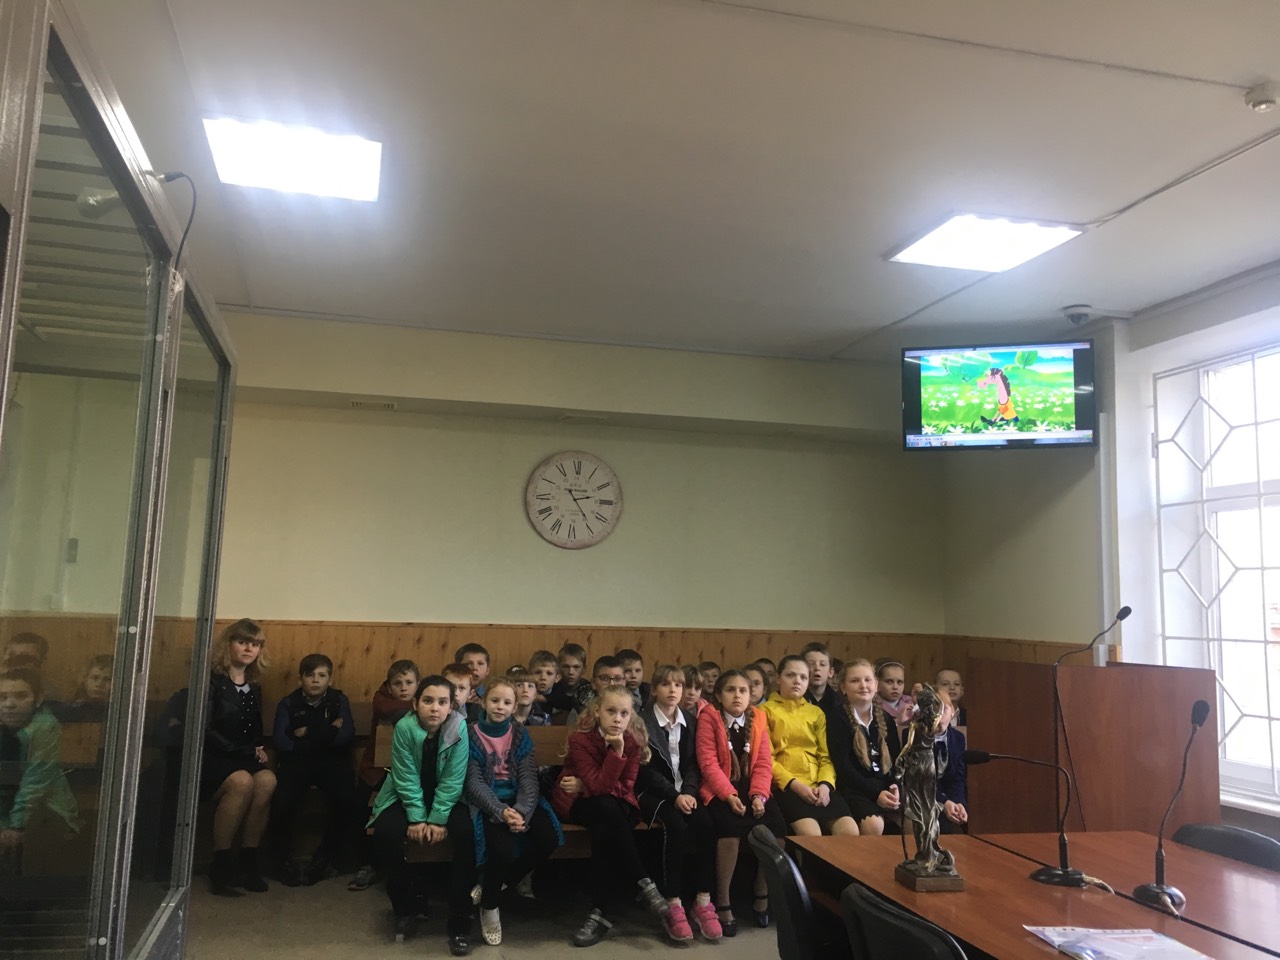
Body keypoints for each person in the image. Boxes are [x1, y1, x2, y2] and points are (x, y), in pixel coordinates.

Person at [550, 687, 672, 947]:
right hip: (578, 804)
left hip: (616, 805)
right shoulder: (581, 740)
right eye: (611, 711)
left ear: (630, 716)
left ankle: (601, 911)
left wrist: (586, 783)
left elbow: (625, 786)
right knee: (605, 810)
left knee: (604, 826)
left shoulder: (633, 742)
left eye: (624, 713)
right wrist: (613, 757)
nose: (617, 718)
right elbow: (600, 787)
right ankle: (642, 880)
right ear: (597, 712)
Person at [368, 676, 475, 954]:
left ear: (451, 707)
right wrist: (416, 818)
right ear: (416, 704)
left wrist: (437, 819)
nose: (435, 708)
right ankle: (406, 905)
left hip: (447, 798)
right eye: (428, 701)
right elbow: (404, 777)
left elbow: (453, 780)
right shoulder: (404, 727)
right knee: (386, 832)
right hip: (405, 795)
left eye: (442, 702)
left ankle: (460, 918)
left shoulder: (459, 729)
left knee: (467, 833)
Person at [464, 679, 562, 945]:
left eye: (507, 702)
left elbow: (529, 778)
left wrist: (521, 811)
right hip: (489, 802)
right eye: (495, 700)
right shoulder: (471, 733)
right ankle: (490, 907)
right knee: (502, 849)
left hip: (520, 800)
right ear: (484, 702)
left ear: (515, 706)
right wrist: (501, 812)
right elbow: (473, 783)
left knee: (548, 837)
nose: (500, 706)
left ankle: (496, 885)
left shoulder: (520, 734)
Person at [695, 669, 787, 937]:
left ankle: (762, 892)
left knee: (777, 829)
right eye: (731, 690)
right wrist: (729, 795)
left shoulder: (757, 717)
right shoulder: (709, 716)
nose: (737, 696)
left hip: (753, 787)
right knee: (729, 829)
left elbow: (763, 763)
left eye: (743, 690)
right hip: (720, 787)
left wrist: (759, 795)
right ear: (719, 695)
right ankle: (723, 899)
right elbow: (708, 763)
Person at [636, 665, 721, 942]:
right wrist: (675, 797)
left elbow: (694, 764)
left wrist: (690, 792)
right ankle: (672, 902)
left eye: (678, 685)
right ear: (654, 689)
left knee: (706, 824)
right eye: (666, 684)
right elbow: (645, 771)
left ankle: (703, 900)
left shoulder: (691, 721)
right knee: (675, 826)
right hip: (652, 793)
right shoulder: (642, 722)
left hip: (685, 792)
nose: (673, 690)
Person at [201, 618, 277, 895]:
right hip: (212, 757)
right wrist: (244, 750)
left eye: (255, 644)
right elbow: (204, 730)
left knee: (267, 780)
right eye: (242, 642)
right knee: (242, 782)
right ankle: (221, 864)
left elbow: (254, 728)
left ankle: (248, 860)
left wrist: (258, 748)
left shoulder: (254, 685)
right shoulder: (211, 681)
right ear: (228, 644)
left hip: (241, 756)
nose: (248, 649)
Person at [269, 653, 355, 886]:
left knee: (347, 799)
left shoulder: (339, 700)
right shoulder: (288, 703)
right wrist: (328, 731)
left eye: (322, 675)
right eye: (310, 675)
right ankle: (283, 860)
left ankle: (325, 858)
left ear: (330, 679)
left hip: (332, 761)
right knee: (282, 801)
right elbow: (282, 742)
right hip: (298, 761)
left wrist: (306, 732)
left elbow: (345, 736)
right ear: (300, 679)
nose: (316, 680)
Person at [760, 656, 857, 837]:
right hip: (786, 786)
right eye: (790, 675)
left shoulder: (816, 712)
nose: (797, 681)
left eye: (803, 677)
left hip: (818, 785)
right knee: (811, 835)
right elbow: (767, 759)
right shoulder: (764, 711)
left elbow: (825, 756)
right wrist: (795, 785)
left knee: (850, 831)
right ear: (778, 678)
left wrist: (825, 785)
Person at [350, 658, 420, 891]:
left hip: (410, 773)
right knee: (360, 806)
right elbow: (386, 709)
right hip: (376, 769)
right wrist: (415, 707)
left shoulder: (428, 704)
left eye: (409, 683)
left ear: (418, 685)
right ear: (389, 687)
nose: (403, 688)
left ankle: (412, 862)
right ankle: (368, 862)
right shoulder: (382, 699)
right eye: (397, 683)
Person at [0, 667, 78, 866]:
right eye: (2, 697)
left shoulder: (45, 725)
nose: (9, 704)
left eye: (20, 696)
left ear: (39, 698)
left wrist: (15, 826)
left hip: (47, 808)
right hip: (7, 808)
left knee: (35, 843)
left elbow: (36, 781)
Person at [828, 660, 900, 837]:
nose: (863, 685)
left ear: (876, 685)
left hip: (885, 787)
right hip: (855, 789)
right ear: (843, 687)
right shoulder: (837, 718)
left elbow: (897, 761)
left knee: (916, 821)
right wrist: (876, 794)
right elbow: (843, 768)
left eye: (868, 680)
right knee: (874, 824)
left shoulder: (886, 719)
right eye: (855, 681)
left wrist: (894, 786)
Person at [2, 633, 62, 702]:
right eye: (11, 657)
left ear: (42, 660)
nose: (16, 662)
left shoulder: (49, 693)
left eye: (25, 658)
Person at [569, 656, 625, 726]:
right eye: (605, 678)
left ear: (624, 683)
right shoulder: (578, 710)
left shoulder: (631, 708)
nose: (612, 684)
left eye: (617, 679)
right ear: (594, 683)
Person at [801, 643, 841, 722]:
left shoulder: (840, 702)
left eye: (822, 664)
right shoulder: (793, 698)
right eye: (811, 664)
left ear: (831, 672)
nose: (817, 668)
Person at [874, 659, 914, 738]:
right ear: (877, 684)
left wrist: (918, 704)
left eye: (900, 682)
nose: (895, 687)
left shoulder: (910, 701)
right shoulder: (872, 706)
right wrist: (897, 721)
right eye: (889, 682)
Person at [935, 668, 967, 737]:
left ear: (962, 690)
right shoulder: (929, 715)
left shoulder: (967, 716)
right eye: (945, 684)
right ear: (935, 689)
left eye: (957, 684)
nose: (952, 687)